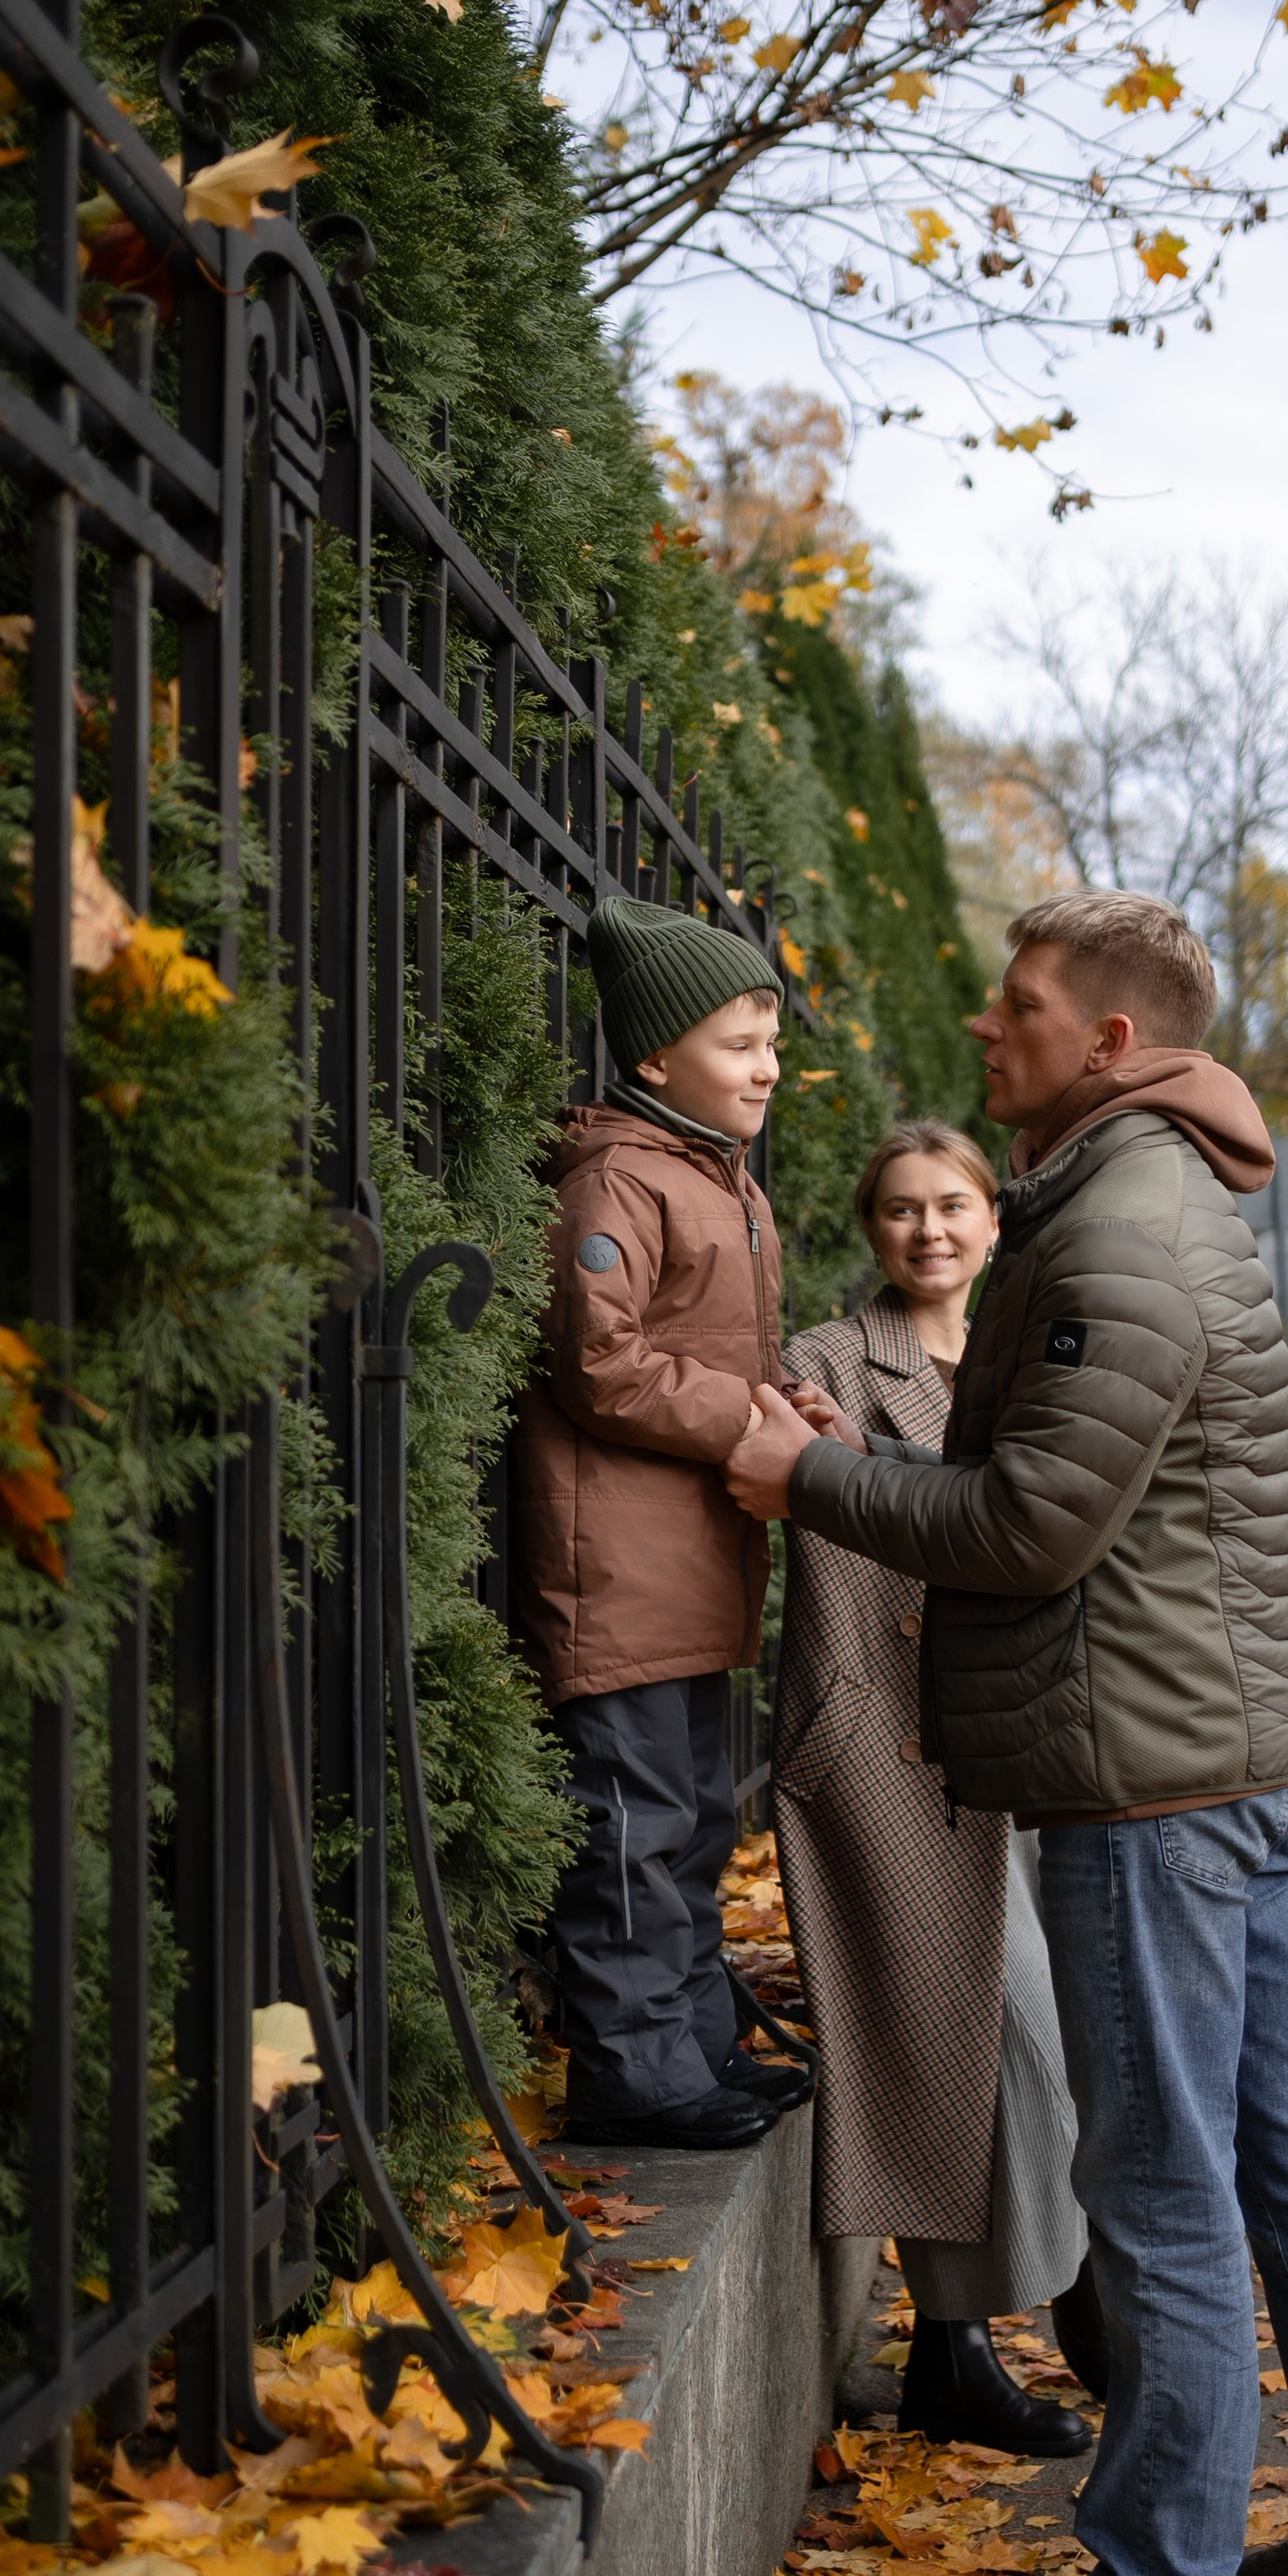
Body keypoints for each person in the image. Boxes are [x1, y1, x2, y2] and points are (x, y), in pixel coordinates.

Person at [727, 888, 1288, 2576]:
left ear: (1114, 1042)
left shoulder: (1128, 1232)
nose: (989, 1025)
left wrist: (798, 1470)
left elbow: (1027, 1523)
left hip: (1153, 1788)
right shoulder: (1145, 1203)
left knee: (1160, 2188)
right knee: (1287, 2149)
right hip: (1209, 1761)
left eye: (1022, 1002)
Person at [776, 1122, 1097, 2462]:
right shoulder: (824, 1362)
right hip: (891, 1743)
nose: (929, 1232)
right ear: (872, 1227)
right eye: (901, 1210)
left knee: (1055, 2033)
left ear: (991, 1217)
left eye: (952, 1204)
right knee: (976, 2033)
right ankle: (1023, 2333)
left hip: (1035, 1740)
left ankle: (967, 2350)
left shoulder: (1035, 1351)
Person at [509, 892, 816, 2154]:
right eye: (739, 1045)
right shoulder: (616, 1182)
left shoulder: (719, 1183)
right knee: (633, 1826)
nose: (768, 1068)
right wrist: (750, 1418)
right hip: (618, 1567)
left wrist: (793, 1401)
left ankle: (692, 2045)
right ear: (654, 1057)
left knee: (690, 1816)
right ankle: (634, 2073)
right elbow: (602, 1363)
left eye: (772, 1045)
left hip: (688, 1567)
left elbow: (720, 1351)